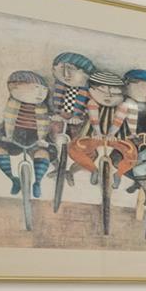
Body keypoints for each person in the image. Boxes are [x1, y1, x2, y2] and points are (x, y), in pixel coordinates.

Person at [0, 70, 53, 197]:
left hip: (36, 135)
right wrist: (6, 137)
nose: (40, 94)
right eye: (35, 88)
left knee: (42, 154)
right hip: (12, 133)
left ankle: (37, 182)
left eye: (44, 90)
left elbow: (51, 120)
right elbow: (7, 121)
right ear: (14, 88)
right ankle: (13, 179)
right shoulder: (11, 104)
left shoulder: (44, 107)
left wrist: (44, 137)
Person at [68, 70, 132, 188]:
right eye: (102, 91)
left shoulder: (122, 106)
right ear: (91, 90)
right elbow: (92, 119)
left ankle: (118, 174)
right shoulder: (91, 102)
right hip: (92, 135)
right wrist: (96, 132)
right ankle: (93, 170)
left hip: (116, 137)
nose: (108, 96)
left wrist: (112, 134)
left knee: (129, 153)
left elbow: (119, 121)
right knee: (80, 151)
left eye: (114, 93)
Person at [47, 51, 94, 188]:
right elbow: (52, 105)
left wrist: (80, 117)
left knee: (85, 151)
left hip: (79, 123)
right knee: (50, 142)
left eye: (72, 70)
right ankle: (57, 167)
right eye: (61, 69)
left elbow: (92, 108)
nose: (66, 75)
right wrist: (55, 115)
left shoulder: (90, 91)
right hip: (60, 119)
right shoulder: (57, 88)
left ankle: (71, 171)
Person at [117, 69, 146, 194]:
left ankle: (141, 183)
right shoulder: (123, 104)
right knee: (118, 160)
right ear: (128, 84)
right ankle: (138, 181)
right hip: (127, 140)